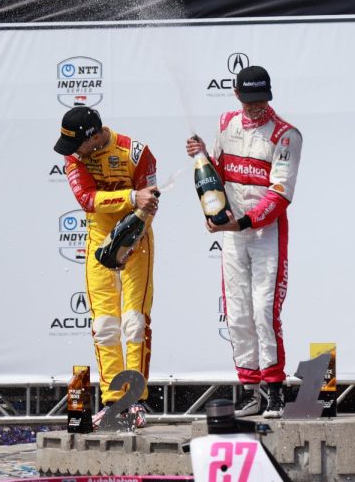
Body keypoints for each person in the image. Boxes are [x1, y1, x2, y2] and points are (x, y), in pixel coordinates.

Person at [185, 65, 302, 419]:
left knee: (264, 311)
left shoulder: (286, 135)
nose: (256, 108)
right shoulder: (226, 123)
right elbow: (216, 176)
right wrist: (202, 154)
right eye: (249, 101)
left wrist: (244, 222)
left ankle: (275, 390)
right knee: (237, 314)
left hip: (265, 233)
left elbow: (281, 193)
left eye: (261, 100)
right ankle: (251, 391)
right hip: (233, 233)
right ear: (237, 96)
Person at [53, 106, 160, 428]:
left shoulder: (137, 152)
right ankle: (113, 402)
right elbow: (86, 198)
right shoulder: (74, 157)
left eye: (77, 145)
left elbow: (150, 201)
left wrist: (129, 237)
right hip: (100, 243)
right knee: (104, 326)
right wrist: (130, 197)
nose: (72, 152)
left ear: (95, 135)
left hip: (137, 240)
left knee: (134, 322)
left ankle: (137, 402)